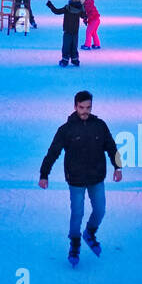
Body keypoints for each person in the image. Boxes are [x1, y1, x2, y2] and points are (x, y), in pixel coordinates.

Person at [38, 90, 123, 265]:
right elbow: (53, 152)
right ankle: (75, 243)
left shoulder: (100, 125)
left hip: (96, 177)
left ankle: (90, 232)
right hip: (76, 179)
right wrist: (44, 174)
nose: (85, 111)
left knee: (100, 210)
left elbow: (111, 147)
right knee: (77, 213)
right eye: (82, 107)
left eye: (88, 107)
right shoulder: (66, 130)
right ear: (75, 106)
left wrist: (118, 167)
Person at [45, 0, 86, 67]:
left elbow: (57, 11)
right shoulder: (79, 9)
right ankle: (75, 59)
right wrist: (83, 8)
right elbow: (84, 16)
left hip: (67, 30)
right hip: (75, 31)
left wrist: (50, 5)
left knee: (66, 46)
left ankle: (65, 60)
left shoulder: (67, 8)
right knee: (74, 46)